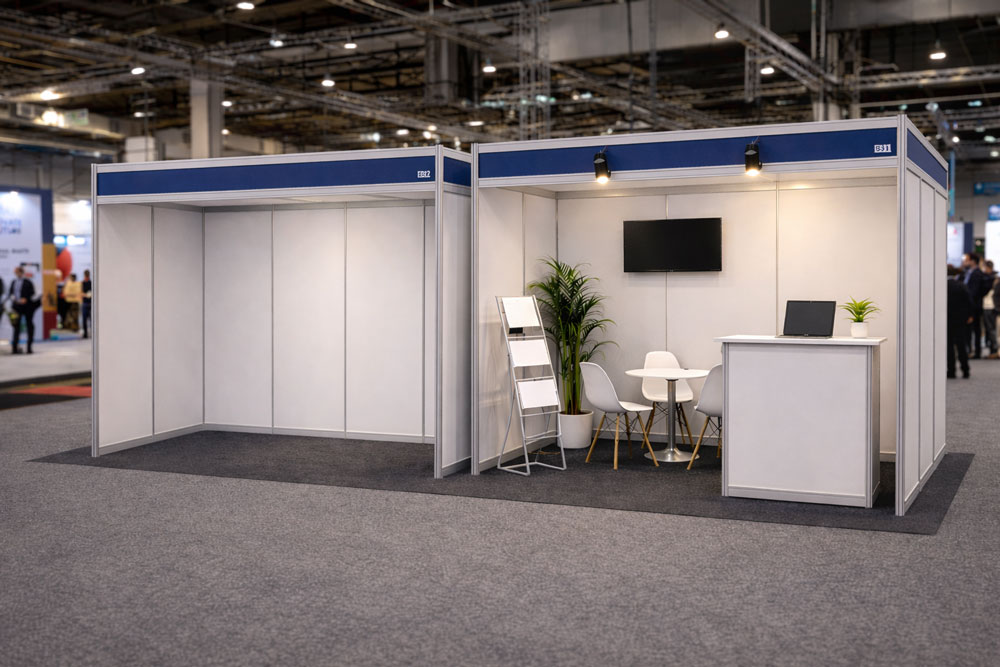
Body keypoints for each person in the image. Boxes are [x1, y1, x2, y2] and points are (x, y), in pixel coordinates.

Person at [962, 252, 991, 359]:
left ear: (973, 261)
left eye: (967, 260)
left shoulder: (977, 274)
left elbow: (974, 292)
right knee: (968, 329)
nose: (964, 262)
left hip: (974, 305)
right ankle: (970, 350)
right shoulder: (968, 273)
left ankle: (976, 351)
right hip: (968, 305)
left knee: (976, 329)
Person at [9, 266, 37, 355]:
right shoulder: (13, 282)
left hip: (27, 307)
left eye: (18, 272)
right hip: (16, 307)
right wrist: (13, 298)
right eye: (16, 272)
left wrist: (26, 299)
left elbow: (32, 293)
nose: (17, 274)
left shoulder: (28, 282)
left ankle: (29, 347)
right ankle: (14, 348)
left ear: (22, 272)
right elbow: (11, 293)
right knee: (16, 327)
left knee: (29, 326)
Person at [983, 260, 998, 358]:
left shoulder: (993, 279)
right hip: (989, 306)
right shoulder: (992, 278)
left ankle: (995, 350)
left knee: (992, 329)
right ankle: (993, 349)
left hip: (990, 306)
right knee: (990, 329)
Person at [81, 269, 92, 339]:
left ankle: (92, 333)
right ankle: (85, 334)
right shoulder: (82, 283)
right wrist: (86, 295)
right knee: (84, 320)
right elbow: (80, 292)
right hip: (85, 302)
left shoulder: (91, 283)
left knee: (91, 320)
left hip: (90, 303)